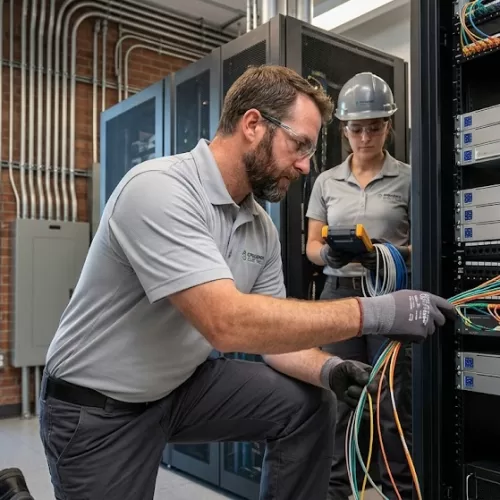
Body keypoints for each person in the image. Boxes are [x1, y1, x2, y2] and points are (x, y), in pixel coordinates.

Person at [39, 65, 454, 500]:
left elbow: (272, 341)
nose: (305, 166)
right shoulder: (159, 189)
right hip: (99, 406)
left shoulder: (260, 227)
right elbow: (226, 323)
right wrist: (380, 312)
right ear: (253, 124)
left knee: (310, 404)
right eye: (299, 145)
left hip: (180, 388)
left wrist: (329, 369)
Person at [306, 72, 414, 500]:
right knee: (338, 400)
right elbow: (312, 245)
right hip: (338, 297)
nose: (365, 136)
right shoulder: (326, 182)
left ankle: (397, 491)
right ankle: (338, 490)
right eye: (357, 128)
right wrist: (329, 255)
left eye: (375, 126)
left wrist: (389, 252)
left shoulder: (408, 178)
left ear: (389, 125)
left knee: (389, 401)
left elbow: (426, 244)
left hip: (388, 295)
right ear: (344, 130)